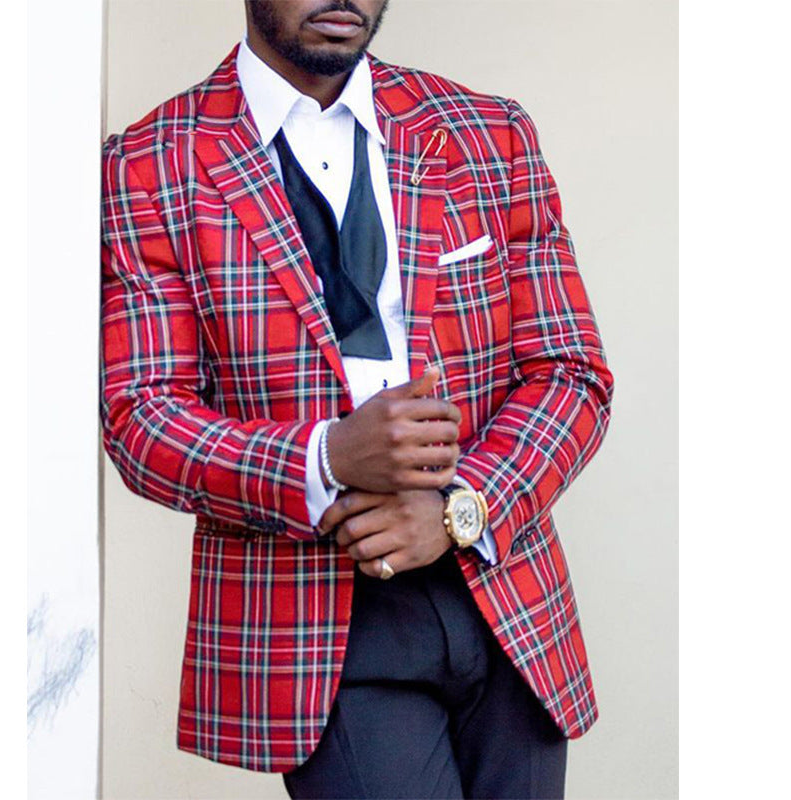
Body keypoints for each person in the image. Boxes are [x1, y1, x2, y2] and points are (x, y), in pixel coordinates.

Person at [99, 1, 614, 797]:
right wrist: (328, 457)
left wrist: (459, 511)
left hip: (509, 594)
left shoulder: (487, 131)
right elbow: (142, 420)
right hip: (319, 622)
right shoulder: (150, 164)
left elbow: (571, 371)